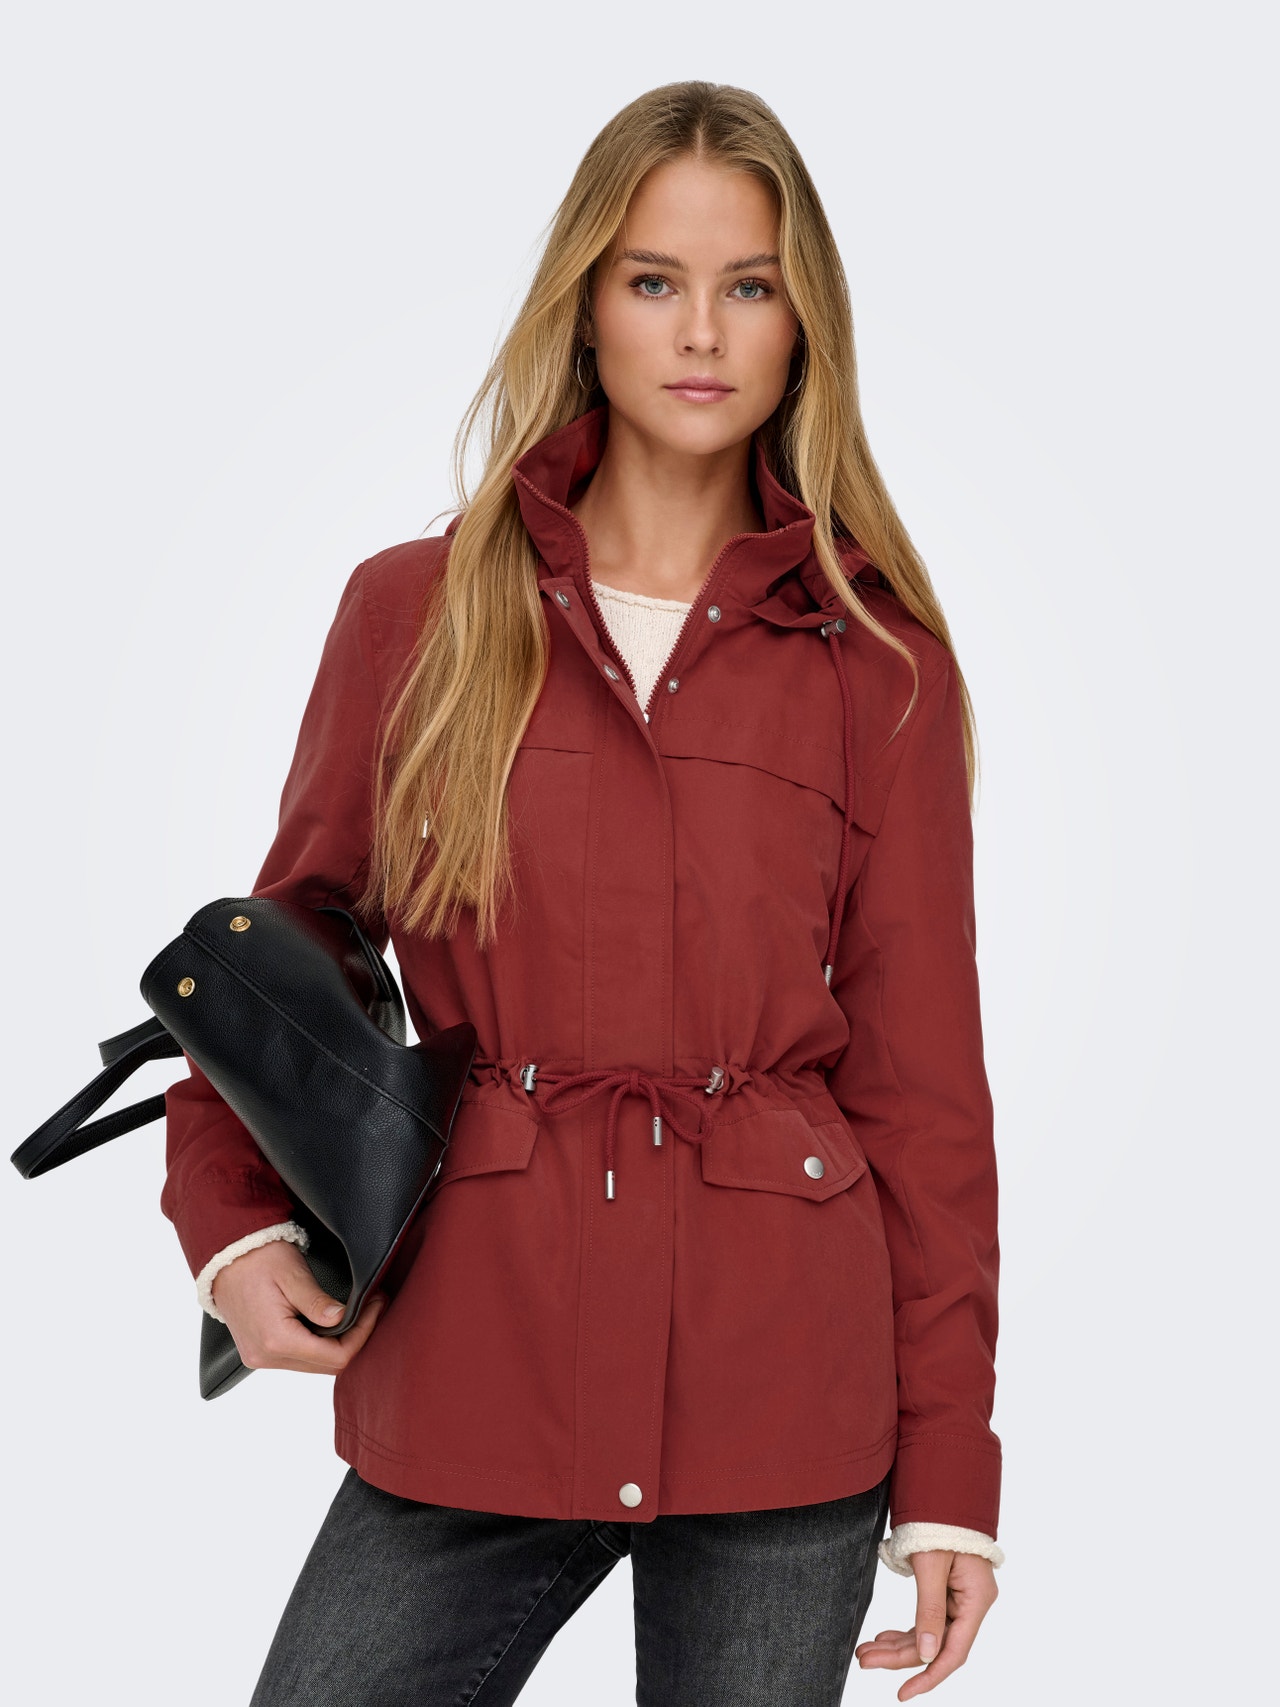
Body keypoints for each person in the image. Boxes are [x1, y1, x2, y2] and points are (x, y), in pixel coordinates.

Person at [161, 80, 1003, 1706]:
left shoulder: (880, 668)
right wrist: (229, 1223)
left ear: (803, 328)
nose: (701, 331)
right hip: (482, 1353)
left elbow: (925, 1090)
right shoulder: (415, 615)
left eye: (749, 286)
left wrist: (953, 1469)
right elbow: (278, 957)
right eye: (653, 279)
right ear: (586, 306)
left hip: (784, 1387)